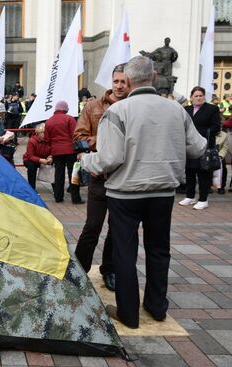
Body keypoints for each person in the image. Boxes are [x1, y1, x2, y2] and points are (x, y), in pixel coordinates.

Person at [79, 56, 207, 329]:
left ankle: (129, 313)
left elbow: (108, 159)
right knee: (159, 249)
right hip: (163, 192)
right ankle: (157, 306)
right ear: (154, 77)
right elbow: (197, 148)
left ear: (129, 79)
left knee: (125, 251)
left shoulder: (119, 111)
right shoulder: (175, 109)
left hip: (126, 193)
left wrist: (85, 161)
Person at [73, 63, 129, 291]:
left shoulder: (134, 107)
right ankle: (78, 269)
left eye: (124, 82)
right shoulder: (94, 106)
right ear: (111, 81)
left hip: (126, 177)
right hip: (100, 176)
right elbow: (79, 138)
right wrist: (103, 139)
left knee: (117, 229)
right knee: (92, 225)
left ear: (131, 83)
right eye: (116, 81)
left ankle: (109, 269)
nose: (119, 86)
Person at [178, 86, 222, 210]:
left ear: (204, 96)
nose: (198, 98)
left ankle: (203, 199)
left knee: (203, 173)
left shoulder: (212, 109)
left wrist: (195, 133)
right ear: (191, 97)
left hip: (204, 146)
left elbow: (215, 127)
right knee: (190, 171)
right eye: (196, 96)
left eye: (200, 95)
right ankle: (190, 196)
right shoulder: (186, 109)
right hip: (190, 146)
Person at [45, 100, 83, 204]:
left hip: (56, 151)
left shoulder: (49, 121)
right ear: (65, 109)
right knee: (74, 174)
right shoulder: (70, 119)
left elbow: (47, 139)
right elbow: (75, 135)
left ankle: (58, 197)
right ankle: (75, 198)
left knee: (59, 174)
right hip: (70, 150)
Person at [22, 123, 52, 190]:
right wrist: (40, 160)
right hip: (30, 159)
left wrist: (51, 157)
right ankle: (32, 188)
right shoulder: (32, 141)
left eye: (47, 132)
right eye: (44, 132)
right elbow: (30, 156)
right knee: (31, 166)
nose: (46, 134)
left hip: (45, 158)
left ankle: (57, 190)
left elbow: (53, 151)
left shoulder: (50, 140)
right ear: (38, 133)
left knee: (54, 164)